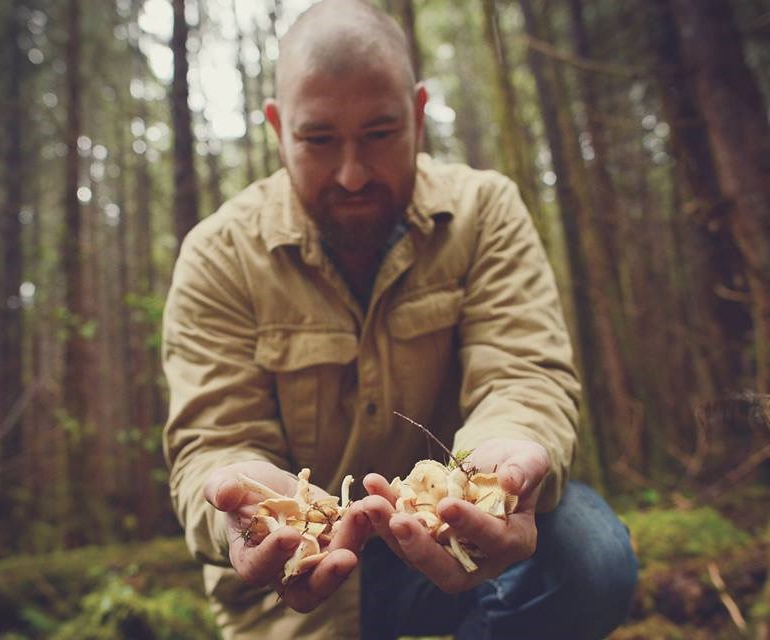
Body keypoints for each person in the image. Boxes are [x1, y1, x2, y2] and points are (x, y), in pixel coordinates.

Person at [162, 0, 638, 638]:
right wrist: (240, 501)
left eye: (380, 134)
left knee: (590, 555)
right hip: (300, 590)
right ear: (278, 127)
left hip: (466, 542)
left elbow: (524, 374)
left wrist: (500, 469)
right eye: (319, 140)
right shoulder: (219, 255)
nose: (353, 174)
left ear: (417, 114)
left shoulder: (484, 212)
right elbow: (210, 442)